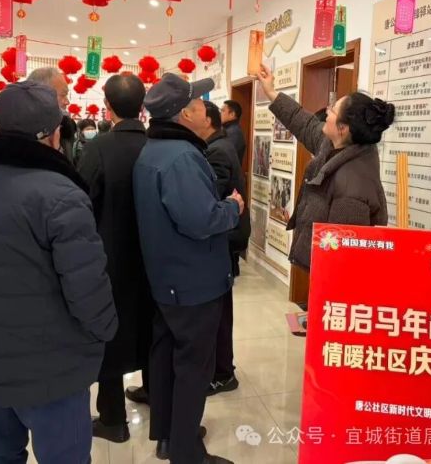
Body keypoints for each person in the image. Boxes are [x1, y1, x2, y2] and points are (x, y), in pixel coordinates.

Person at [0, 81, 118, 463]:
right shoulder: (62, 195)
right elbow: (87, 287)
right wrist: (105, 331)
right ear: (55, 134)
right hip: (53, 368)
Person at [133, 74, 243, 464]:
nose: (204, 107)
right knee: (193, 367)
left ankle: (169, 435)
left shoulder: (154, 150)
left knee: (166, 357)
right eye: (197, 102)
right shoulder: (181, 157)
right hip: (193, 281)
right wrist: (232, 208)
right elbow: (201, 220)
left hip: (167, 278)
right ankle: (186, 453)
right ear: (184, 114)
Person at [256, 64, 393, 271]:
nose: (327, 111)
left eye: (333, 109)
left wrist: (322, 285)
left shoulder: (352, 187)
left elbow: (343, 259)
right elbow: (304, 123)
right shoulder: (334, 143)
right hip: (319, 269)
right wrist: (271, 92)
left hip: (329, 278)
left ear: (342, 128)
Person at [78, 74, 152, 443]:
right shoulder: (158, 144)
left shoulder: (99, 148)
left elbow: (81, 202)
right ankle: (155, 394)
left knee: (110, 332)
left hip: (111, 256)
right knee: (154, 326)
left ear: (107, 106)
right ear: (142, 106)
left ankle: (113, 419)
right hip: (156, 257)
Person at [202, 101, 251, 397]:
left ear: (207, 120)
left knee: (220, 310)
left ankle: (223, 373)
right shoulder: (217, 145)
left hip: (225, 236)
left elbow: (213, 200)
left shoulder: (218, 150)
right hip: (226, 235)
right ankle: (221, 370)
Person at [26, 67, 75, 163]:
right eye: (63, 95)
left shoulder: (64, 130)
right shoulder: (18, 133)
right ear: (40, 95)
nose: (67, 102)